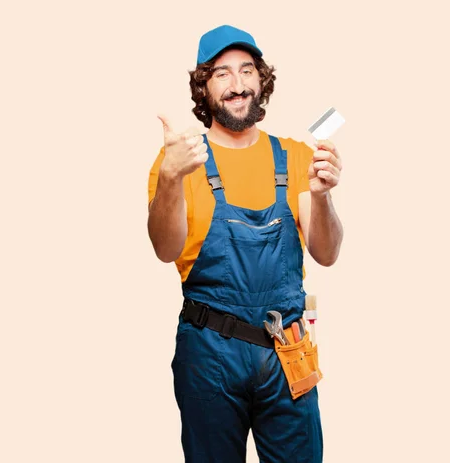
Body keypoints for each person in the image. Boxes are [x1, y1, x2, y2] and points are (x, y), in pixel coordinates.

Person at [146, 24, 344, 463]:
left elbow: (326, 253)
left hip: (287, 348)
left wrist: (323, 195)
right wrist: (171, 180)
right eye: (221, 74)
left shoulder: (295, 156)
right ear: (203, 87)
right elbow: (165, 249)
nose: (237, 85)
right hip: (209, 350)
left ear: (262, 79)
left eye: (247, 70)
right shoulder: (178, 161)